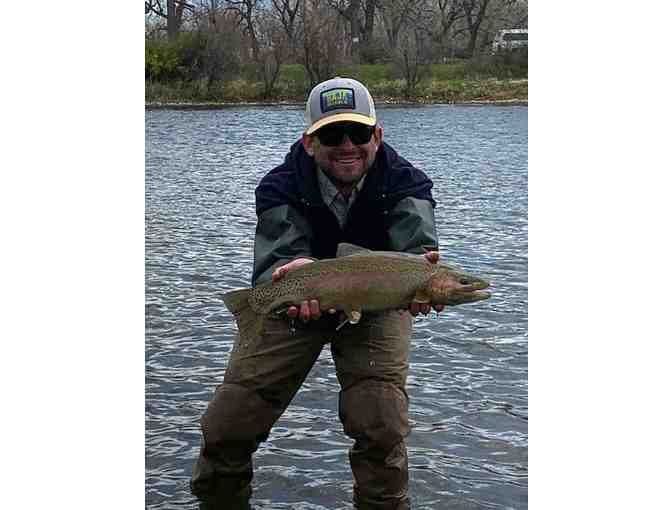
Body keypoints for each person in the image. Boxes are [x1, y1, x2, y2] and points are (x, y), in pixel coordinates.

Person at [191, 77, 445, 509]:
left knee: (380, 423)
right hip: (297, 298)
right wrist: (294, 272)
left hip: (376, 304)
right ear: (309, 142)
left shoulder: (407, 184)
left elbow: (416, 256)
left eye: (359, 133)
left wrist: (420, 289)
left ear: (377, 136)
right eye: (331, 134)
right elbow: (277, 258)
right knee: (228, 425)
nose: (347, 145)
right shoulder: (280, 186)